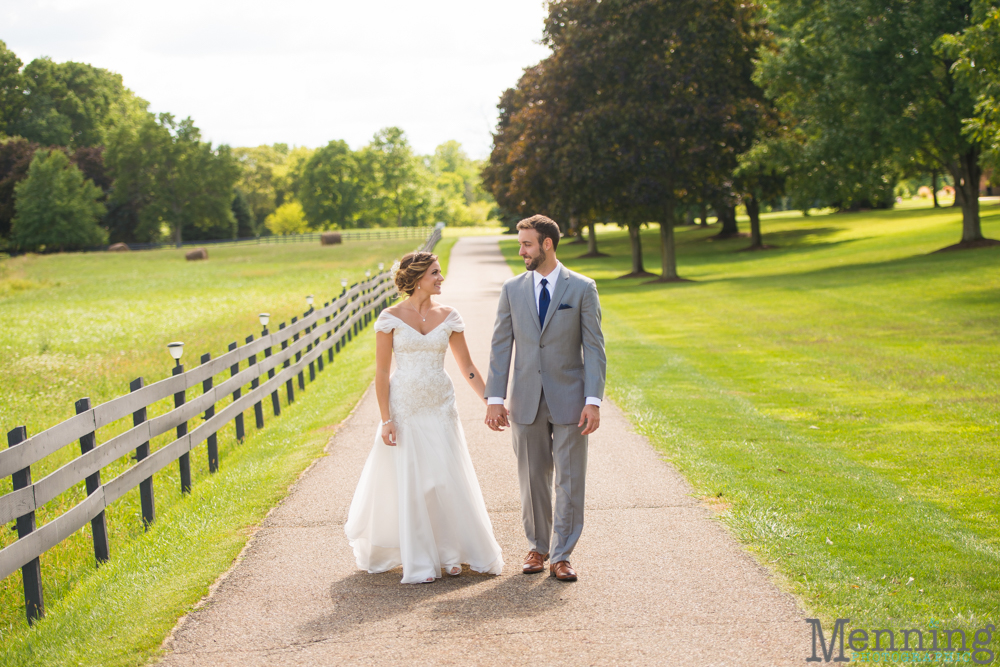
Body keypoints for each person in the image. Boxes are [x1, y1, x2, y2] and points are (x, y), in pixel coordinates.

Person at [344, 251, 504, 584]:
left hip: (441, 406)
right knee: (417, 484)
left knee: (445, 480)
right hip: (406, 408)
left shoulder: (449, 316)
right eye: (435, 272)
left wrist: (492, 401)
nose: (441, 278)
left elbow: (468, 368)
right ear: (418, 279)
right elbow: (383, 372)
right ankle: (421, 557)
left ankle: (452, 552)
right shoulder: (389, 318)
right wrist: (386, 419)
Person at [485, 215, 606, 582]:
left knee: (570, 479)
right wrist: (494, 397)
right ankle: (537, 548)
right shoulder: (512, 289)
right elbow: (501, 345)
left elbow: (595, 349)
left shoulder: (582, 288)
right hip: (525, 398)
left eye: (526, 244)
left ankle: (562, 554)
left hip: (570, 397)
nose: (521, 250)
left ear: (547, 245)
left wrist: (593, 400)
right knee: (532, 477)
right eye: (520, 243)